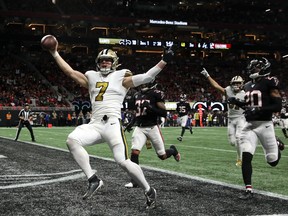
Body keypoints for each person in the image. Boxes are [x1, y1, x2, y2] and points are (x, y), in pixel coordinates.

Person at [44, 35, 175, 209]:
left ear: (114, 62)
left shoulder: (122, 76)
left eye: (108, 60)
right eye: (102, 60)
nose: (105, 63)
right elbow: (69, 72)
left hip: (112, 124)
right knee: (72, 140)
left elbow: (146, 77)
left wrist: (164, 60)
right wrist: (54, 53)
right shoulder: (91, 76)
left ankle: (149, 190)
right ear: (98, 62)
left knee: (123, 162)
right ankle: (93, 179)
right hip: (95, 124)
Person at [227, 57, 284, 200]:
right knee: (246, 157)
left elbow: (277, 106)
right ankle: (248, 190)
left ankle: (277, 144)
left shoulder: (269, 82)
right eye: (252, 67)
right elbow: (248, 107)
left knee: (272, 161)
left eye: (256, 67)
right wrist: (237, 102)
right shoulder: (246, 85)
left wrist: (258, 110)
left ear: (264, 68)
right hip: (249, 125)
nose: (253, 70)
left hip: (265, 124)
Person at [124, 81, 181, 188]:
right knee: (134, 152)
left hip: (152, 127)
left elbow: (164, 113)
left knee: (162, 156)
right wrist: (131, 123)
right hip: (140, 127)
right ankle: (135, 180)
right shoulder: (137, 95)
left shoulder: (156, 94)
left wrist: (150, 107)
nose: (143, 84)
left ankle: (173, 150)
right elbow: (138, 112)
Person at [200, 68, 246, 167]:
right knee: (232, 142)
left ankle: (240, 159)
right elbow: (216, 86)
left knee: (238, 138)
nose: (236, 85)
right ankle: (242, 148)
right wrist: (207, 75)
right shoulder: (228, 90)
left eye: (238, 83)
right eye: (234, 83)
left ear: (242, 84)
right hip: (230, 119)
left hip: (241, 118)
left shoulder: (246, 93)